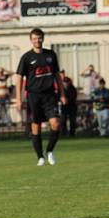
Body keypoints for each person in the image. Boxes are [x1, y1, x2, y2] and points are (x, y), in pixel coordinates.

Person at [14, 28, 67, 166]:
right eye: (34, 38)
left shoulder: (51, 55)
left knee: (56, 123)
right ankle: (40, 157)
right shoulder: (26, 57)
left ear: (43, 39)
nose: (37, 40)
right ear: (31, 40)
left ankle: (50, 151)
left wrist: (62, 93)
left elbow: (57, 76)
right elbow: (19, 78)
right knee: (35, 126)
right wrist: (18, 98)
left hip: (50, 95)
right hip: (33, 96)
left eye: (39, 38)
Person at [59, 71, 78, 136]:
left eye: (67, 82)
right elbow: (58, 96)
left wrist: (67, 100)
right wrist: (61, 100)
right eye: (64, 82)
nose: (66, 83)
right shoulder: (61, 89)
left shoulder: (73, 89)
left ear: (69, 82)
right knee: (63, 120)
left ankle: (72, 134)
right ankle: (63, 134)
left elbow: (73, 97)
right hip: (64, 107)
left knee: (72, 121)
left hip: (72, 107)